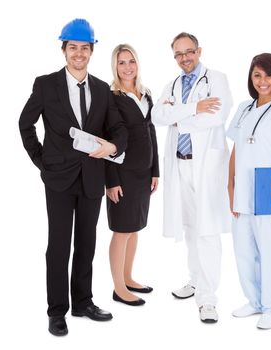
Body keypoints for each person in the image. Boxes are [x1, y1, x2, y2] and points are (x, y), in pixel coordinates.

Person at [19, 19, 127, 336]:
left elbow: (118, 128)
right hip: (58, 180)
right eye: (73, 47)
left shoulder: (101, 89)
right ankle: (57, 311)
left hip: (92, 178)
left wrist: (113, 145)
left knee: (86, 243)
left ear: (92, 51)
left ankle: (83, 302)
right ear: (64, 49)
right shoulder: (46, 85)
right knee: (59, 246)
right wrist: (42, 162)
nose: (78, 53)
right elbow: (25, 125)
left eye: (84, 48)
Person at [152, 32, 232, 323]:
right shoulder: (171, 84)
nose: (184, 58)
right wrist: (193, 109)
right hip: (179, 165)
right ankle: (196, 280)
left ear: (199, 51)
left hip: (206, 167)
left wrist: (177, 115)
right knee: (188, 226)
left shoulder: (217, 79)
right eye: (178, 54)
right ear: (174, 56)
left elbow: (216, 116)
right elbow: (157, 116)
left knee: (207, 229)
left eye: (189, 52)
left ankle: (208, 299)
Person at [226, 53, 271, 329]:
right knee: (244, 251)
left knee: (270, 252)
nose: (263, 81)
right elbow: (236, 149)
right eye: (257, 75)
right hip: (243, 193)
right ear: (251, 78)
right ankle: (254, 301)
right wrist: (230, 186)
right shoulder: (244, 108)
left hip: (270, 193)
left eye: (268, 75)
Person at [106, 44, 159, 306]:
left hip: (143, 173)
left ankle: (128, 278)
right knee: (121, 230)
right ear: (115, 66)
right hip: (123, 174)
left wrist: (155, 170)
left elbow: (151, 133)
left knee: (135, 228)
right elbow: (107, 140)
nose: (127, 67)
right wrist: (111, 180)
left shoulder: (145, 93)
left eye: (131, 61)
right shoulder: (111, 96)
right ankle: (118, 288)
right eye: (122, 62)